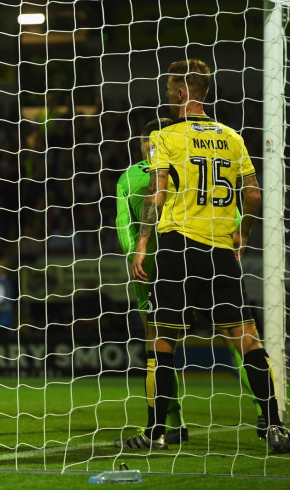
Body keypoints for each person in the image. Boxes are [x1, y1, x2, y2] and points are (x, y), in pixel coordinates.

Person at [117, 58, 289, 452]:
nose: (166, 96)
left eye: (167, 90)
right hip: (219, 250)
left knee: (162, 340)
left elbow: (156, 196)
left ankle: (157, 432)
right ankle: (275, 425)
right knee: (246, 338)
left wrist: (142, 245)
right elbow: (254, 195)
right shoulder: (233, 137)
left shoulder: (166, 136)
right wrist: (241, 235)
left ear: (181, 93)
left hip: (177, 247)